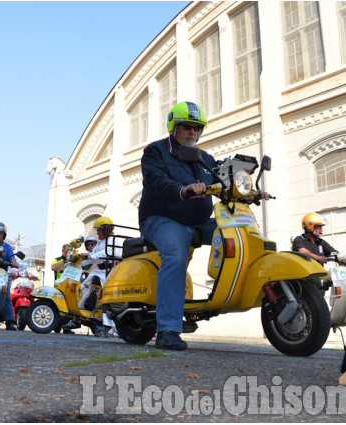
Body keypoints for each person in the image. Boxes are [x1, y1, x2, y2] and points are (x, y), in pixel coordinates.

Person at [139, 101, 270, 350]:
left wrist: (251, 193)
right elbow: (157, 180)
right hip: (161, 219)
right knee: (176, 255)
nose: (192, 133)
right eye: (187, 127)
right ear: (174, 127)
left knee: (241, 232)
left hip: (199, 221)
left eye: (197, 128)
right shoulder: (155, 152)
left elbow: (224, 180)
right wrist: (183, 189)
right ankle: (167, 329)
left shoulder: (204, 158)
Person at [62, 217, 122, 337]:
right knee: (84, 288)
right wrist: (78, 262)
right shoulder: (100, 242)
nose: (97, 232)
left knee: (105, 297)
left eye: (99, 230)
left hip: (110, 271)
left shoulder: (112, 240)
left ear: (106, 229)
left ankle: (114, 328)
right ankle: (76, 319)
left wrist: (89, 257)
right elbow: (93, 255)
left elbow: (106, 254)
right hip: (100, 271)